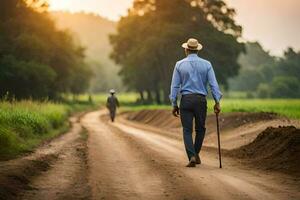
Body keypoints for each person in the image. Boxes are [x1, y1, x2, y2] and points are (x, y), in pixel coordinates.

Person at [169, 38, 222, 167]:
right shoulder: (207, 64)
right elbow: (213, 85)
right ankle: (195, 153)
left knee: (187, 130)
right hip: (200, 100)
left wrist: (174, 103)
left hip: (186, 100)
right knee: (200, 129)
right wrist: (217, 101)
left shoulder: (179, 64)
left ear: (186, 50)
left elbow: (174, 86)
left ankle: (192, 155)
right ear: (197, 50)